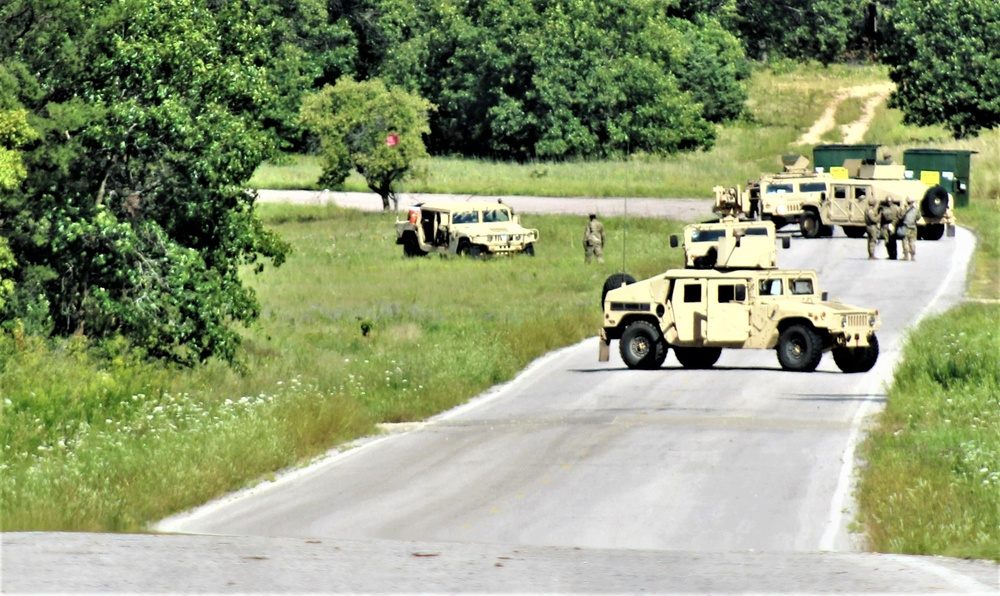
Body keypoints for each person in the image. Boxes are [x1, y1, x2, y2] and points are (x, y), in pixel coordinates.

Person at [900, 196, 919, 261]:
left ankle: (906, 256)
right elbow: (918, 217)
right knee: (912, 242)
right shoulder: (916, 209)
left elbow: (901, 215)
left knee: (905, 241)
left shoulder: (906, 208)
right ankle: (913, 256)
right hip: (913, 227)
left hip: (906, 227)